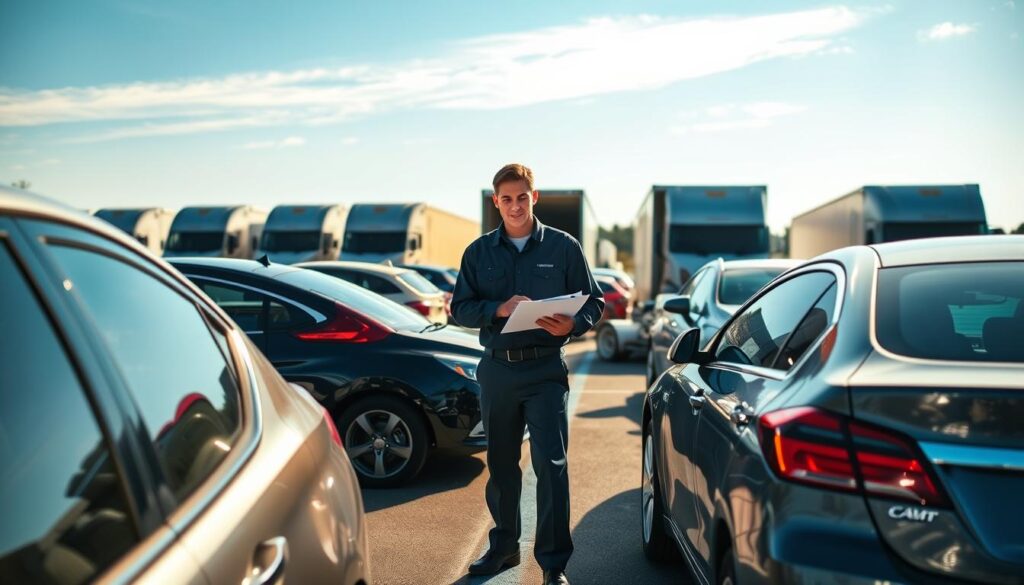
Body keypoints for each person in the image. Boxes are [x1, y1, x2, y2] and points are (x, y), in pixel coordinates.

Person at [451, 163, 604, 585]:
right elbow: (459, 308)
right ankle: (503, 549)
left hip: (544, 370)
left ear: (534, 198)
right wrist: (496, 309)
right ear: (495, 202)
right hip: (498, 371)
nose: (515, 206)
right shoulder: (478, 253)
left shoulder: (564, 247)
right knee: (501, 464)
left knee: (551, 466)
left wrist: (574, 325)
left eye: (522, 197)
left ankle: (553, 566)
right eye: (506, 199)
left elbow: (595, 301)